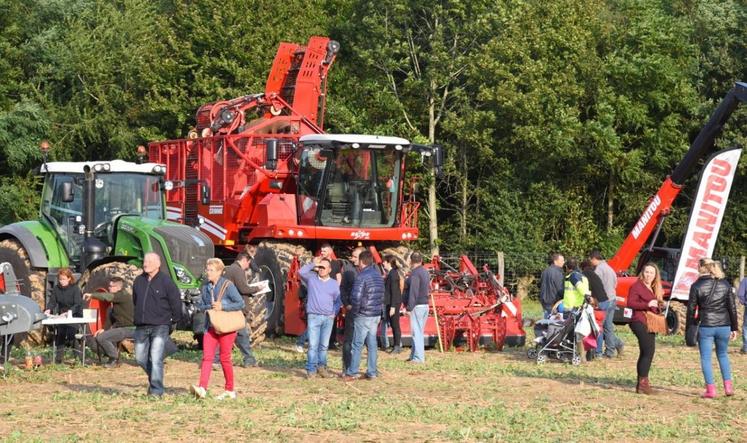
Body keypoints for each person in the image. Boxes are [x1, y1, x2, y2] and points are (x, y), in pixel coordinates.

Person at [191, 258, 245, 400]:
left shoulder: (228, 286)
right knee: (207, 357)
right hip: (211, 326)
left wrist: (223, 306)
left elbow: (240, 303)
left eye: (211, 270)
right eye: (207, 269)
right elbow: (201, 306)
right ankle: (202, 388)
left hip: (227, 327)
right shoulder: (205, 287)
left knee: (224, 358)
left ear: (220, 272)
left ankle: (229, 390)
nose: (208, 273)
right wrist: (209, 306)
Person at [686, 258, 738, 398]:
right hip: (724, 325)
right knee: (723, 355)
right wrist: (734, 327)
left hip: (706, 326)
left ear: (701, 267)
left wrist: (690, 326)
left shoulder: (696, 286)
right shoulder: (725, 284)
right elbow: (732, 308)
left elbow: (691, 309)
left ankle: (711, 390)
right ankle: (728, 387)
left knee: (706, 358)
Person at [132, 252, 182, 398]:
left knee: (155, 358)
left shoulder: (166, 282)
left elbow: (175, 302)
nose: (145, 263)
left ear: (158, 264)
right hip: (141, 325)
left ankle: (156, 391)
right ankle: (155, 379)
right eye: (145, 261)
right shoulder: (138, 281)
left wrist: (174, 320)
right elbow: (136, 300)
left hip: (160, 324)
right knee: (140, 358)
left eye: (149, 261)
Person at [343, 250, 384, 380]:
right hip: (375, 314)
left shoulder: (361, 276)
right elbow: (382, 295)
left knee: (357, 344)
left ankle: (352, 371)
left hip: (363, 314)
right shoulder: (378, 275)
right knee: (372, 344)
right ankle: (372, 371)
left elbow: (356, 296)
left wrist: (354, 311)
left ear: (361, 261)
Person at [299, 256, 341, 378]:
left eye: (324, 267)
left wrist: (334, 312)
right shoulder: (312, 279)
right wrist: (313, 264)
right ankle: (311, 369)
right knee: (313, 345)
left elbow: (338, 300)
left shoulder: (333, 284)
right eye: (320, 267)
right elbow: (301, 272)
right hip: (314, 317)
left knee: (324, 346)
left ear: (329, 270)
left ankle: (322, 367)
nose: (321, 269)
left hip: (328, 318)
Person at [216, 252, 258, 368]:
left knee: (227, 332)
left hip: (228, 306)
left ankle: (216, 359)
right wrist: (257, 288)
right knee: (241, 334)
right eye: (248, 263)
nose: (248, 266)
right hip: (235, 308)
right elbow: (243, 288)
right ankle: (248, 358)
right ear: (244, 260)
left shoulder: (229, 269)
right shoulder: (237, 270)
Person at [626, 262, 663, 395]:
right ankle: (642, 384)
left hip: (650, 322)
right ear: (642, 272)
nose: (648, 275)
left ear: (655, 275)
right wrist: (647, 304)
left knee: (646, 352)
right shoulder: (637, 286)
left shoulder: (654, 287)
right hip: (639, 321)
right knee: (648, 351)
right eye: (646, 272)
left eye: (651, 273)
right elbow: (630, 303)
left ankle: (642, 383)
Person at [83, 276, 134, 368]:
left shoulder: (122, 295)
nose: (109, 288)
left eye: (112, 286)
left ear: (119, 287)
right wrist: (103, 329)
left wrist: (92, 295)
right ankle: (111, 356)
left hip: (129, 328)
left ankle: (114, 359)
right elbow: (110, 318)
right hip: (120, 328)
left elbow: (107, 297)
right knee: (98, 336)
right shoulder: (114, 304)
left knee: (102, 338)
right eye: (109, 286)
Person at [588, 251, 624, 358]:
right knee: (608, 327)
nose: (590, 262)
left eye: (590, 260)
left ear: (594, 259)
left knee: (598, 326)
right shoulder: (610, 268)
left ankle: (598, 352)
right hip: (612, 299)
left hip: (603, 301)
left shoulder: (598, 270)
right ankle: (610, 351)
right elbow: (615, 284)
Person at [45, 268, 83, 364]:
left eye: (63, 279)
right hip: (62, 315)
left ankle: (78, 359)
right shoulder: (57, 289)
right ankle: (58, 359)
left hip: (74, 314)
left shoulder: (75, 289)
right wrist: (48, 309)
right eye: (60, 279)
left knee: (71, 335)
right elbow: (52, 301)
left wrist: (69, 312)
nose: (61, 281)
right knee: (60, 334)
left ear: (69, 278)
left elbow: (77, 304)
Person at [341, 246, 365, 373]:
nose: (352, 258)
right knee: (348, 340)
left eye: (355, 256)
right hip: (352, 310)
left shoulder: (371, 270)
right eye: (353, 256)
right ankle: (347, 367)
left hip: (366, 312)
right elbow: (343, 289)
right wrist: (346, 304)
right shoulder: (348, 271)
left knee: (368, 341)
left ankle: (370, 369)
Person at [404, 252, 430, 363]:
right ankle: (414, 355)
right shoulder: (425, 272)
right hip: (424, 304)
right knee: (419, 331)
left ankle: (419, 358)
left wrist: (409, 308)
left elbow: (413, 291)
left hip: (417, 306)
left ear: (411, 261)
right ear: (421, 260)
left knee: (416, 332)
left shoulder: (415, 274)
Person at [383, 255, 403, 354]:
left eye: (384, 262)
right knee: (394, 325)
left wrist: (393, 307)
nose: (383, 263)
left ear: (388, 263)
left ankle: (397, 346)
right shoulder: (391, 273)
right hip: (391, 302)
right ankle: (397, 345)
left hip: (393, 302)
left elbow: (394, 291)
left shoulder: (393, 274)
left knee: (395, 325)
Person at [539, 253, 565, 319]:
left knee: (547, 321)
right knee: (554, 324)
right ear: (555, 261)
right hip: (554, 302)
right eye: (562, 260)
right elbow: (560, 289)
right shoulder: (558, 273)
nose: (563, 262)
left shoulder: (545, 271)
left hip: (544, 301)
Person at [737, 277, 747, 354]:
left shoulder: (745, 280)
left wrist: (744, 302)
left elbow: (740, 294)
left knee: (746, 327)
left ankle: (746, 347)